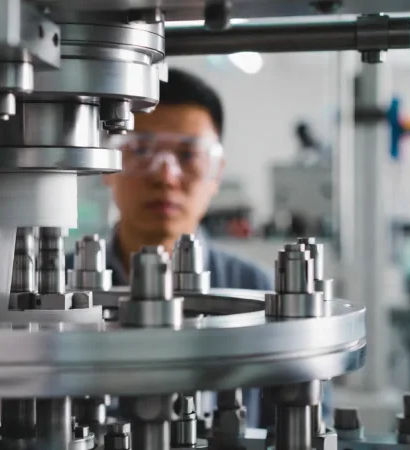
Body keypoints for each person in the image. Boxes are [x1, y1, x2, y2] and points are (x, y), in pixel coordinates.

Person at [68, 68, 277, 427]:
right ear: (106, 163)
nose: (165, 175)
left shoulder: (257, 293)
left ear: (217, 173)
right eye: (141, 150)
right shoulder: (56, 287)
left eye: (188, 155)